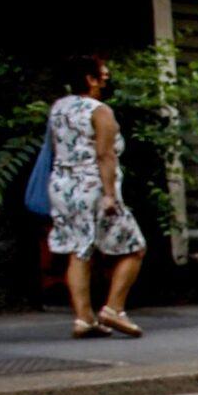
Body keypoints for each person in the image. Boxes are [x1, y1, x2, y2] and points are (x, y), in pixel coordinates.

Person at [45, 55, 145, 339]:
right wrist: (110, 195)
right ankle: (114, 308)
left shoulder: (59, 108)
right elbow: (105, 154)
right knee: (135, 247)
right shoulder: (99, 111)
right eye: (103, 74)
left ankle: (84, 319)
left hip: (63, 186)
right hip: (94, 186)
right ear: (89, 79)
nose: (106, 78)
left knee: (79, 250)